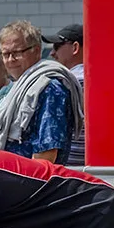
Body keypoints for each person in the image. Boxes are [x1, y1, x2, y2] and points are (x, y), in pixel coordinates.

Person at [0, 21, 83, 164]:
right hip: (7, 176)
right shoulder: (16, 87)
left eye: (16, 53)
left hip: (31, 182)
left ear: (37, 50)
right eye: (5, 54)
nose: (10, 60)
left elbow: (46, 156)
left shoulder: (50, 88)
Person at [43, 24, 85, 166]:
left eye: (57, 46)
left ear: (75, 47)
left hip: (70, 167)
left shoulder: (66, 82)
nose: (52, 53)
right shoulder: (98, 79)